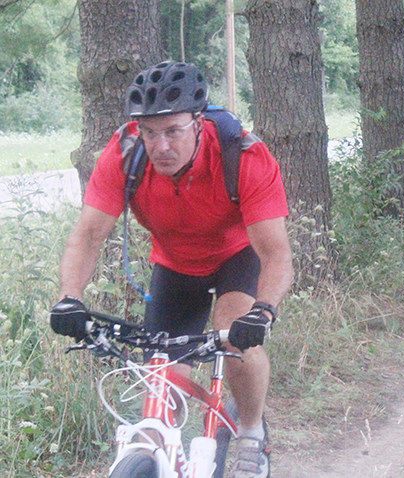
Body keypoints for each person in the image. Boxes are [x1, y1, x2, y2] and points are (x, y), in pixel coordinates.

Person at [50, 60, 293, 478]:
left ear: (199, 123)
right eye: (150, 132)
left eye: (173, 130)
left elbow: (276, 255)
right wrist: (69, 299)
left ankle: (252, 432)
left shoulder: (243, 155)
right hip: (175, 266)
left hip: (237, 256)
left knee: (235, 340)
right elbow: (88, 235)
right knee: (164, 394)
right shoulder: (125, 153)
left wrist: (263, 312)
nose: (160, 146)